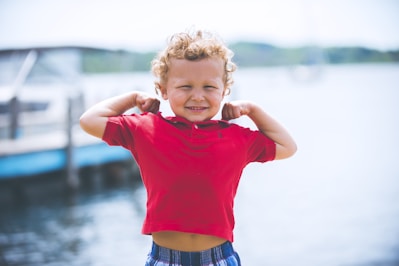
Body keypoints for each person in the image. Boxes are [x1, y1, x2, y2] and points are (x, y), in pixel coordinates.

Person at [80, 29, 297, 266]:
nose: (197, 96)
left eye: (209, 87)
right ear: (163, 90)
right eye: (185, 87)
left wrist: (252, 110)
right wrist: (132, 99)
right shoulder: (145, 129)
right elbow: (89, 121)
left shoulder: (236, 137)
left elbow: (287, 146)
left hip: (219, 257)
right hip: (164, 258)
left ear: (224, 91)